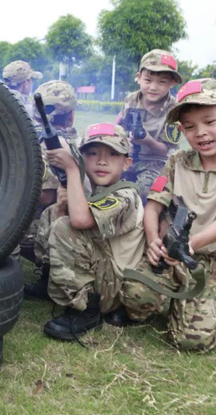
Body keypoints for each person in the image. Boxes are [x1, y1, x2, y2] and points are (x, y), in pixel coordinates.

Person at [120, 78, 216, 352]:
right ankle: (178, 301)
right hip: (166, 253)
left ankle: (212, 300)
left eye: (210, 122)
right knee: (133, 299)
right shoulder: (177, 163)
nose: (201, 133)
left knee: (192, 341)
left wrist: (191, 244)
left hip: (203, 261)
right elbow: (153, 206)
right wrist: (152, 240)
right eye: (190, 127)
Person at [41, 123, 145, 342]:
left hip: (118, 287)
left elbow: (79, 221)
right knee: (53, 214)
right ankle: (49, 282)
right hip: (105, 273)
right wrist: (60, 207)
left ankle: (87, 309)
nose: (102, 161)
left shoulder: (126, 195)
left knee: (65, 227)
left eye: (113, 154)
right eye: (92, 153)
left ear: (127, 163)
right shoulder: (97, 191)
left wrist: (71, 170)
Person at [23, 80, 85, 296]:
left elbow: (43, 197)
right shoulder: (85, 145)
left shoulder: (52, 147)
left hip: (61, 226)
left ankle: (48, 277)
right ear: (71, 115)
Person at [117, 49, 183, 203]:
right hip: (129, 157)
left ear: (172, 83)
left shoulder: (174, 110)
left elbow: (166, 150)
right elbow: (120, 124)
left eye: (162, 82)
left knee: (147, 191)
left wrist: (146, 140)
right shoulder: (131, 99)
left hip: (157, 162)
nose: (153, 87)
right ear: (138, 78)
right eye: (148, 80)